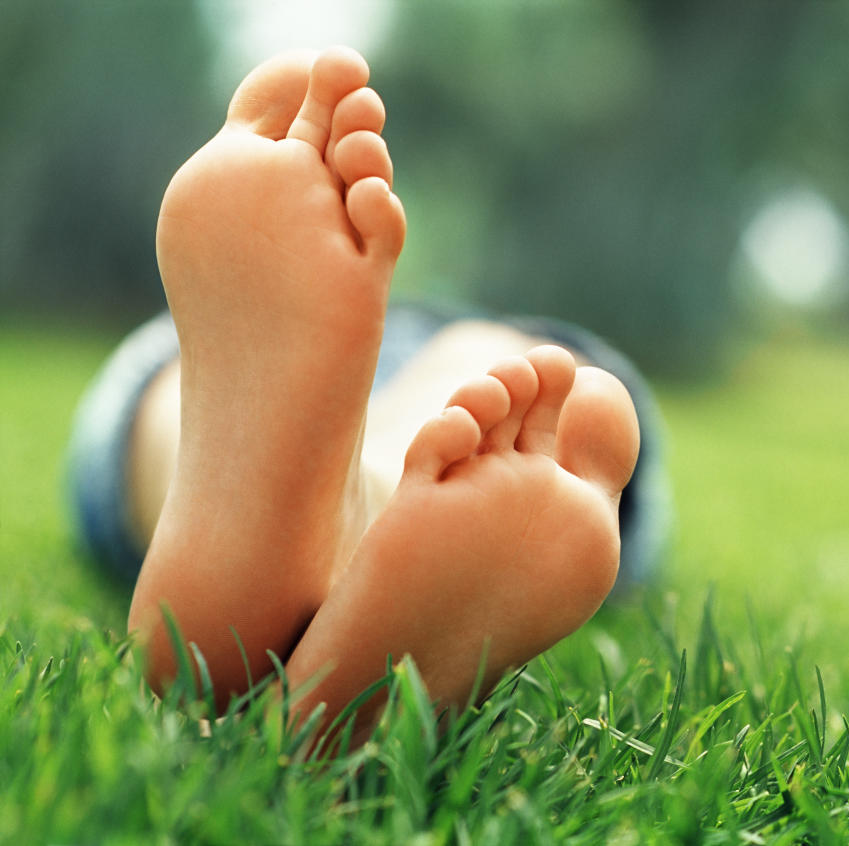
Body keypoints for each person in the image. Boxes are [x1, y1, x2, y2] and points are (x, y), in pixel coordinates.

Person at [66, 47, 671, 735]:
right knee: (518, 377)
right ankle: (370, 502)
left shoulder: (292, 277)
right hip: (458, 360)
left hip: (167, 382)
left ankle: (362, 506)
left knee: (171, 397)